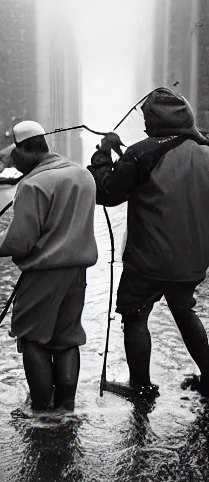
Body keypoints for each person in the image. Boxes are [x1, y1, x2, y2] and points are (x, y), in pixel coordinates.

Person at [88, 86, 209, 398]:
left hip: (148, 259)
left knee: (135, 316)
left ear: (156, 120)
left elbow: (108, 193)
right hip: (192, 258)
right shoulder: (205, 151)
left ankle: (141, 386)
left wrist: (103, 153)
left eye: (147, 118)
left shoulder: (141, 152)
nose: (144, 125)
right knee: (184, 310)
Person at [0, 121, 98, 410]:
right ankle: (66, 408)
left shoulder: (33, 184)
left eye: (14, 156)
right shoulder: (83, 176)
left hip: (43, 274)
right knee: (67, 339)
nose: (14, 164)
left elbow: (21, 240)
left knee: (32, 340)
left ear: (24, 150)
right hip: (76, 274)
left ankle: (42, 411)